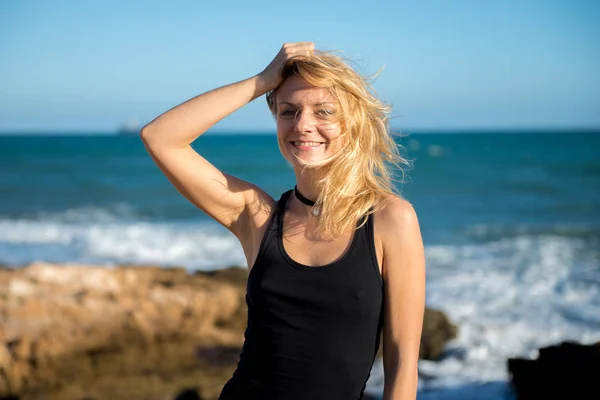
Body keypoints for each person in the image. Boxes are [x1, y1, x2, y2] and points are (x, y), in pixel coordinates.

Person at [141, 42, 426, 400]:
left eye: (323, 112)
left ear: (353, 122)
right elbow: (160, 138)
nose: (303, 125)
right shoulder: (257, 216)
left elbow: (402, 363)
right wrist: (262, 81)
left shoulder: (389, 219)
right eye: (289, 111)